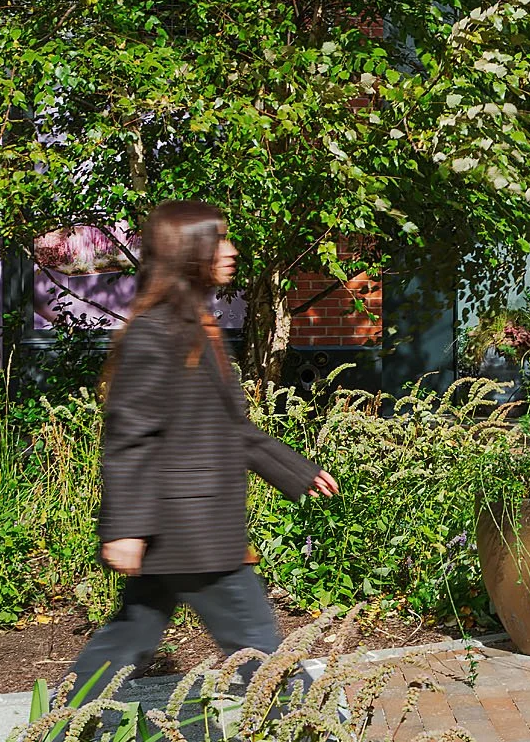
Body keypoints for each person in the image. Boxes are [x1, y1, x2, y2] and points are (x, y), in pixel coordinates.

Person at [66, 201, 340, 707]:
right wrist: (125, 528)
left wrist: (296, 470)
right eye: (219, 241)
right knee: (261, 650)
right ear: (188, 252)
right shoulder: (158, 332)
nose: (231, 252)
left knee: (127, 639)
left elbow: (228, 429)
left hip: (182, 529)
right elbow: (130, 435)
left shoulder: (194, 324)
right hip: (192, 529)